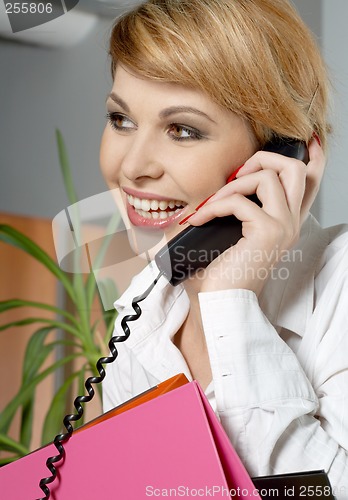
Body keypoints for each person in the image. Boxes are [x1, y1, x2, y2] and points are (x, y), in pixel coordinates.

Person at [100, 0, 348, 496]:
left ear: (282, 156)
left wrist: (230, 300)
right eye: (121, 120)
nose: (132, 166)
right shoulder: (145, 306)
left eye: (183, 130)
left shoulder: (341, 284)